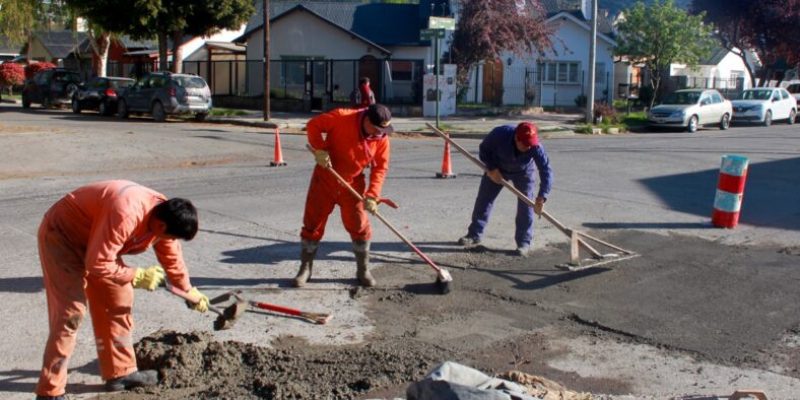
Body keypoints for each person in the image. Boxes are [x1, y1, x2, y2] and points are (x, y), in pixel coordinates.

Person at [34, 180, 209, 400]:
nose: (171, 241)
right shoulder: (126, 213)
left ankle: (120, 373)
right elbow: (97, 264)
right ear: (162, 227)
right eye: (172, 236)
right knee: (71, 314)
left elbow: (171, 257)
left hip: (98, 243)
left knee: (119, 301)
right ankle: (49, 392)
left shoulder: (164, 216)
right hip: (62, 238)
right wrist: (137, 275)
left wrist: (188, 291)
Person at [295, 103, 394, 288]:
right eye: (377, 129)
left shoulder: (381, 138)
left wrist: (373, 195)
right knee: (312, 224)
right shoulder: (342, 117)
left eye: (384, 130)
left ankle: (363, 269)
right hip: (325, 178)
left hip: (352, 184)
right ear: (366, 120)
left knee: (359, 225)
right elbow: (313, 125)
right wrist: (320, 149)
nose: (379, 133)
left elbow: (380, 168)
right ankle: (305, 268)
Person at [458, 122, 553, 257]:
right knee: (484, 200)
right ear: (516, 138)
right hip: (498, 168)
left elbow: (546, 170)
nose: (528, 147)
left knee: (526, 206)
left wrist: (542, 196)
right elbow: (484, 149)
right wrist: (492, 169)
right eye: (525, 144)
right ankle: (474, 234)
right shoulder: (500, 134)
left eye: (530, 143)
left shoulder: (535, 146)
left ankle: (523, 243)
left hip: (523, 172)